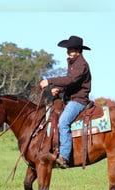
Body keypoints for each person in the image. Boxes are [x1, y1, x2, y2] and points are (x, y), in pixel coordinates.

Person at [40, 35, 92, 168]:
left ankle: (64, 157)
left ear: (79, 51)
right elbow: (71, 83)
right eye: (69, 49)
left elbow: (71, 80)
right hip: (70, 99)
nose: (70, 52)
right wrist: (60, 89)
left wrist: (50, 81)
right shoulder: (73, 63)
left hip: (78, 100)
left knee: (63, 122)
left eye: (73, 50)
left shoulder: (81, 64)